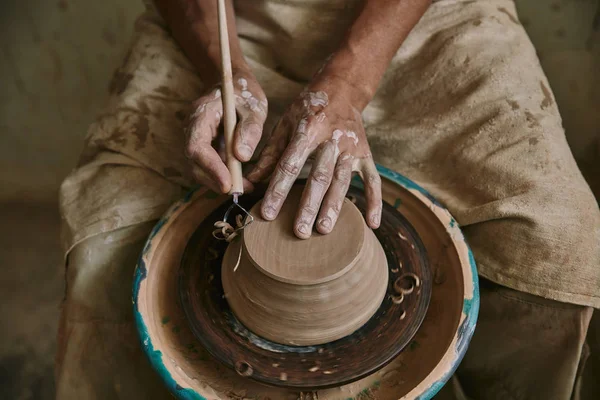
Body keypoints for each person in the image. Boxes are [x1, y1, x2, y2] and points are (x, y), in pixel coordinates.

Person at [56, 0, 600, 399]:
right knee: (104, 252)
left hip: (429, 20)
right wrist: (229, 75)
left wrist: (348, 84)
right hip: (231, 24)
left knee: (556, 247)